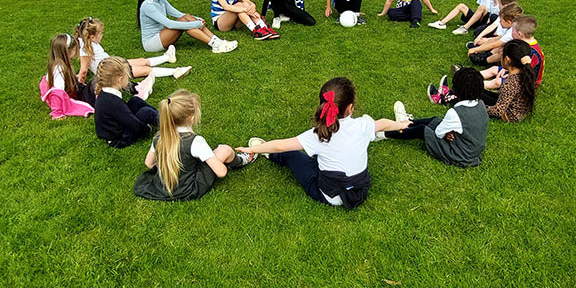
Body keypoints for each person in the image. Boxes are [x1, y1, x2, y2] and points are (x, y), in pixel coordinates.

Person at [236, 77, 409, 209]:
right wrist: (400, 125)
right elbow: (384, 123)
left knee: (292, 155)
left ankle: (269, 154)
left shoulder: (318, 135)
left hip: (329, 195)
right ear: (350, 107)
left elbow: (281, 145)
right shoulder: (363, 125)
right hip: (359, 191)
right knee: (318, 159)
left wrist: (252, 149)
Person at [134, 89, 256, 201]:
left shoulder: (160, 137)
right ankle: (244, 159)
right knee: (224, 150)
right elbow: (221, 172)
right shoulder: (196, 141)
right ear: (191, 118)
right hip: (189, 189)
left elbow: (149, 163)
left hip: (162, 189)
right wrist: (220, 162)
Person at [382, 67, 489, 168]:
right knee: (435, 120)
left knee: (422, 130)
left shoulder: (455, 113)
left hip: (459, 155)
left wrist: (447, 134)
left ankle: (384, 133)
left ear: (456, 89)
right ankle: (406, 122)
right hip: (471, 151)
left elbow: (438, 133)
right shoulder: (481, 104)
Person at [137, 0, 237, 55]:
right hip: (151, 44)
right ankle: (215, 45)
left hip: (162, 35)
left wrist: (197, 19)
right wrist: (196, 24)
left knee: (186, 17)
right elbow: (169, 24)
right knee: (184, 21)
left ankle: (218, 41)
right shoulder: (148, 6)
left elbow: (178, 14)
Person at [73, 16, 191, 83]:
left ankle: (167, 57)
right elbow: (83, 70)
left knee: (142, 60)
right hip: (110, 71)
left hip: (112, 63)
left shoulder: (86, 41)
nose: (102, 36)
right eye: (101, 34)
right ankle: (175, 71)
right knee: (145, 70)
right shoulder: (85, 48)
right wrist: (80, 84)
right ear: (92, 37)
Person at [93, 57, 159, 148]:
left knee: (135, 100)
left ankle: (162, 116)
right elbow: (134, 125)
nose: (128, 79)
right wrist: (147, 129)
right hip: (119, 139)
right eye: (127, 76)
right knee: (146, 112)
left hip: (115, 128)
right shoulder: (113, 102)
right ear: (120, 79)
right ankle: (169, 124)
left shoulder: (105, 94)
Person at [483, 40, 537, 122]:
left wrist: (480, 109)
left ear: (507, 59)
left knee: (479, 97)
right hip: (517, 110)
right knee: (481, 92)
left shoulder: (511, 82)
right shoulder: (526, 74)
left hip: (509, 115)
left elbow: (498, 111)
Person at [46, 33, 96, 106]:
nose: (76, 52)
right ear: (68, 52)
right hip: (79, 96)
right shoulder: (60, 69)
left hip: (78, 90)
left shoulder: (57, 65)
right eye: (75, 49)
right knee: (98, 81)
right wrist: (58, 110)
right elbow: (58, 91)